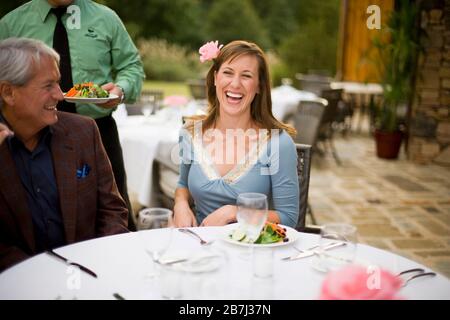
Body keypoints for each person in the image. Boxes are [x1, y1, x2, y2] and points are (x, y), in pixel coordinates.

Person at [0, 0, 145, 230]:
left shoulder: (105, 17)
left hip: (97, 130)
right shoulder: (11, 23)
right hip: (28, 134)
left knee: (115, 210)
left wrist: (120, 90)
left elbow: (131, 66)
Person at [0, 38, 129, 271]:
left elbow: (112, 211)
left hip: (91, 273)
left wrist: (106, 261)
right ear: (8, 92)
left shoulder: (83, 131)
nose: (60, 95)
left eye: (58, 84)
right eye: (48, 86)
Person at [173, 40, 299, 228]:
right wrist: (180, 204)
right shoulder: (190, 132)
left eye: (246, 76)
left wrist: (235, 213)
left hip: (251, 249)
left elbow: (288, 218)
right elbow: (183, 185)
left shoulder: (278, 143)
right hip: (198, 247)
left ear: (258, 86)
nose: (235, 83)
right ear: (215, 78)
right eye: (228, 73)